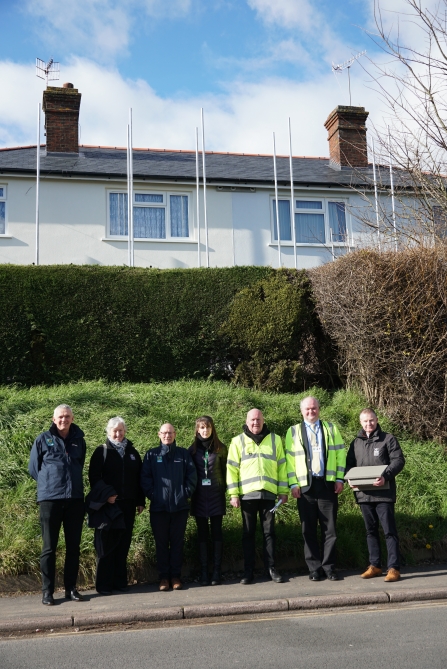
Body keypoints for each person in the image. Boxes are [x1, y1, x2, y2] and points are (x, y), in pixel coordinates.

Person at [28, 404, 86, 606]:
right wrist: (50, 485)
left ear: (72, 418)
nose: (64, 419)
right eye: (61, 417)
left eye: (68, 416)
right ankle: (47, 591)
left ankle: (71, 589)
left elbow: (79, 464)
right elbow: (34, 468)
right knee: (49, 548)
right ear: (54, 419)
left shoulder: (79, 440)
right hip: (50, 500)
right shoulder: (42, 439)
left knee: (73, 547)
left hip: (75, 501)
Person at [285, 396, 346, 581]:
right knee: (308, 529)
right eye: (307, 409)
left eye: (314, 408)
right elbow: (289, 460)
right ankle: (314, 568)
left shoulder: (330, 428)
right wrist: (293, 484)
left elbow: (340, 453)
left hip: (327, 484)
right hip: (305, 487)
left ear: (319, 409)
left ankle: (329, 567)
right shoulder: (293, 431)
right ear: (301, 411)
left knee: (330, 529)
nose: (311, 412)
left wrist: (339, 478)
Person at [227, 408, 288, 585]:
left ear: (263, 420)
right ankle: (248, 571)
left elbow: (282, 468)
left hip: (269, 495)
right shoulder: (238, 441)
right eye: (252, 420)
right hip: (247, 496)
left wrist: (283, 491)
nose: (256, 423)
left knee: (270, 533)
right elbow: (231, 470)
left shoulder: (275, 440)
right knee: (248, 534)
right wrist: (233, 494)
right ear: (247, 421)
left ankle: (271, 569)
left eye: (258, 419)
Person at [346, 408, 405, 582]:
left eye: (371, 420)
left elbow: (399, 460)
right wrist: (350, 478)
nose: (368, 424)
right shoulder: (355, 443)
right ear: (360, 422)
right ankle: (375, 566)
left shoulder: (388, 439)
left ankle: (394, 568)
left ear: (377, 420)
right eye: (365, 421)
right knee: (370, 531)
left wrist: (385, 476)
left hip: (384, 494)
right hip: (364, 494)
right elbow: (348, 464)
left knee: (389, 531)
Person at [88, 417, 145, 595]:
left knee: (123, 543)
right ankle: (104, 585)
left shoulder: (133, 452)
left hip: (127, 506)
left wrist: (140, 501)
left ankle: (120, 583)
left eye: (121, 430)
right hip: (108, 507)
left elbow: (139, 479)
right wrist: (107, 496)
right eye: (115, 431)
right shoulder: (101, 452)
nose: (118, 434)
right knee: (105, 545)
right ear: (108, 432)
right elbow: (94, 478)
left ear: (125, 431)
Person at [140, 423, 197, 591]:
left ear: (175, 434)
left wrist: (184, 493)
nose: (167, 436)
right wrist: (155, 496)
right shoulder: (152, 454)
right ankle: (164, 578)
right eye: (164, 433)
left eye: (170, 433)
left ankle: (175, 577)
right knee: (162, 544)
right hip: (159, 509)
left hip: (180, 508)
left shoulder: (183, 454)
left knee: (177, 543)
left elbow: (192, 477)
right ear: (159, 434)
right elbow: (145, 478)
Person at [188, 415, 228, 586]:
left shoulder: (221, 448)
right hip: (198, 497)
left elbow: (228, 472)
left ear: (213, 429)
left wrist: (225, 489)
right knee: (203, 534)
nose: (205, 431)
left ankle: (217, 571)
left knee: (217, 533)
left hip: (216, 495)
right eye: (202, 428)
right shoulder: (192, 450)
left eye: (208, 427)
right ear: (197, 430)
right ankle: (204, 571)